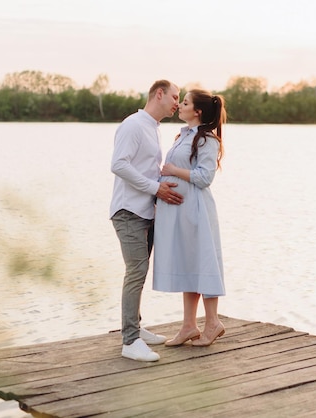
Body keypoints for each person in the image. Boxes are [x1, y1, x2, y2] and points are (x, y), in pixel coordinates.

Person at [110, 79, 184, 362]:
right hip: (128, 211)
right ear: (159, 94)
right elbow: (118, 164)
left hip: (146, 211)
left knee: (139, 273)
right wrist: (156, 189)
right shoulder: (133, 124)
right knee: (136, 272)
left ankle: (136, 329)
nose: (177, 102)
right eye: (175, 97)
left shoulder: (153, 128)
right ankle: (130, 341)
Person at [153, 89, 227, 347]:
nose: (180, 105)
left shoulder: (208, 140)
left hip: (197, 212)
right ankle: (188, 325)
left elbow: (205, 177)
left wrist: (174, 170)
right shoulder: (183, 136)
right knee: (188, 263)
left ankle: (213, 323)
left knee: (204, 263)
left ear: (197, 111)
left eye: (184, 102)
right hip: (180, 213)